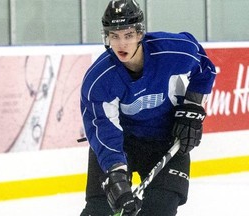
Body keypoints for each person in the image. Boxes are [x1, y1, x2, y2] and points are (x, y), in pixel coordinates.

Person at [79, 0, 216, 215]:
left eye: (128, 35)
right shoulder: (100, 80)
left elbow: (204, 68)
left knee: (160, 208)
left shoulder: (174, 51)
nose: (121, 44)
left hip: (167, 139)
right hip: (122, 142)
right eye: (114, 36)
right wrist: (115, 173)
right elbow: (104, 129)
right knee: (99, 210)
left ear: (140, 34)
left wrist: (192, 109)